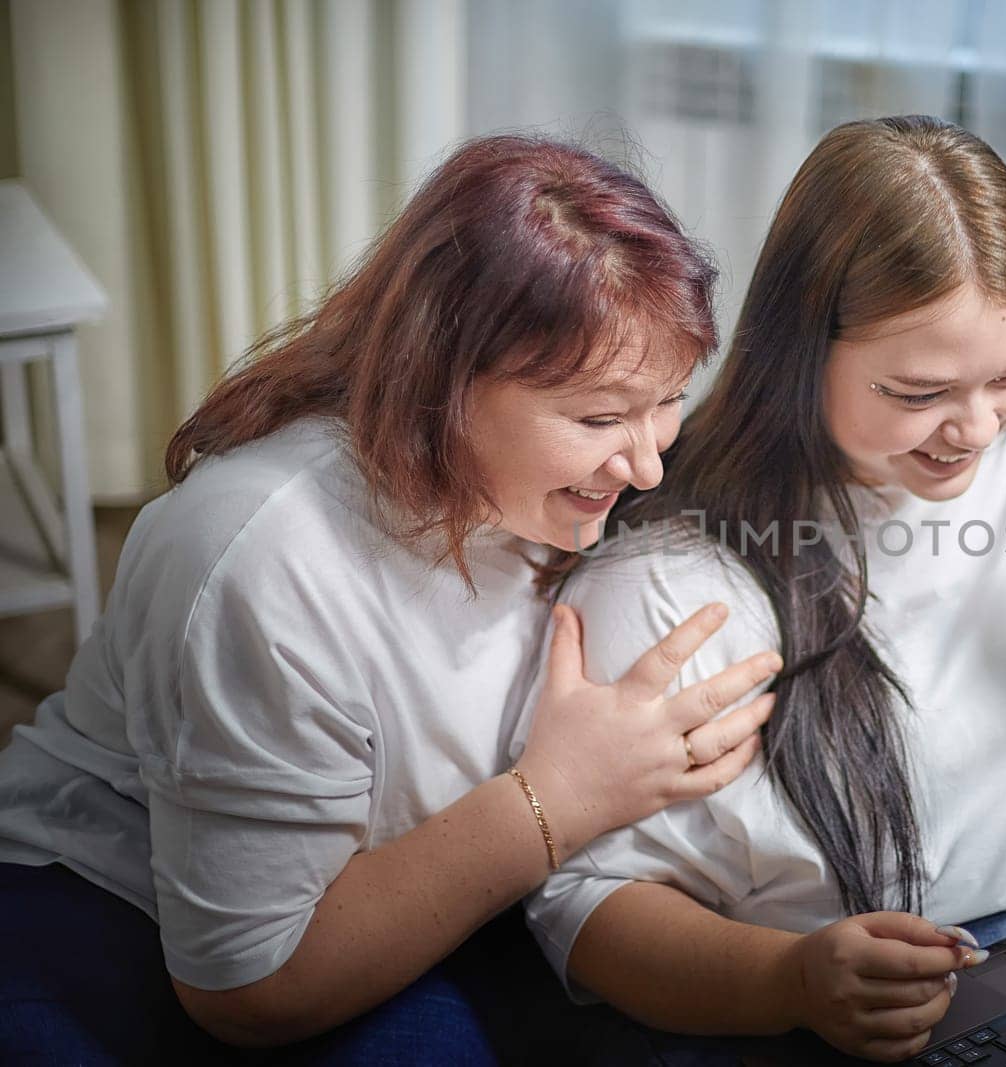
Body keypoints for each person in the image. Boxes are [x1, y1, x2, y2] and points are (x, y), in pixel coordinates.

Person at [524, 115, 1006, 1064]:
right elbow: (585, 901)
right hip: (871, 1014)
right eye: (919, 393)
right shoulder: (671, 579)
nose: (978, 429)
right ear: (802, 350)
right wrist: (786, 978)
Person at [0, 134, 783, 1064]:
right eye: (601, 417)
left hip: (431, 871)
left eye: (669, 401)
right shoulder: (261, 558)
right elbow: (246, 984)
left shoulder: (555, 477)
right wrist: (562, 794)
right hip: (130, 913)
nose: (649, 460)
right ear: (442, 378)